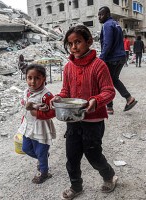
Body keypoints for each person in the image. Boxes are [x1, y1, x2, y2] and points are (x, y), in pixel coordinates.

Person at [50, 25, 118, 200]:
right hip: (72, 120)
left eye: (78, 42)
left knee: (93, 154)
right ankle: (76, 186)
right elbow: (66, 91)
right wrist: (58, 98)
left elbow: (109, 91)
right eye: (70, 43)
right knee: (72, 157)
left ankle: (109, 176)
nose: (74, 47)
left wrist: (96, 100)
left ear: (89, 42)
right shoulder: (68, 67)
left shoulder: (99, 65)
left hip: (93, 121)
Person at [18, 64, 56, 184]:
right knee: (26, 148)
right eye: (29, 78)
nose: (32, 82)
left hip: (41, 128)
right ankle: (43, 157)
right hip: (28, 127)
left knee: (40, 151)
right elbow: (24, 105)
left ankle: (44, 172)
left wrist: (36, 113)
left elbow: (53, 112)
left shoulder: (47, 95)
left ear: (44, 78)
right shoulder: (27, 92)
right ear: (26, 78)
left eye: (37, 78)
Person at [98, 6, 137, 115]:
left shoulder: (107, 25)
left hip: (112, 59)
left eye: (101, 15)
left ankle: (109, 107)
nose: (99, 17)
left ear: (107, 14)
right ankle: (129, 98)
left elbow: (107, 43)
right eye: (98, 15)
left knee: (106, 82)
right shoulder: (116, 24)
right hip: (121, 57)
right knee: (113, 79)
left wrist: (101, 58)